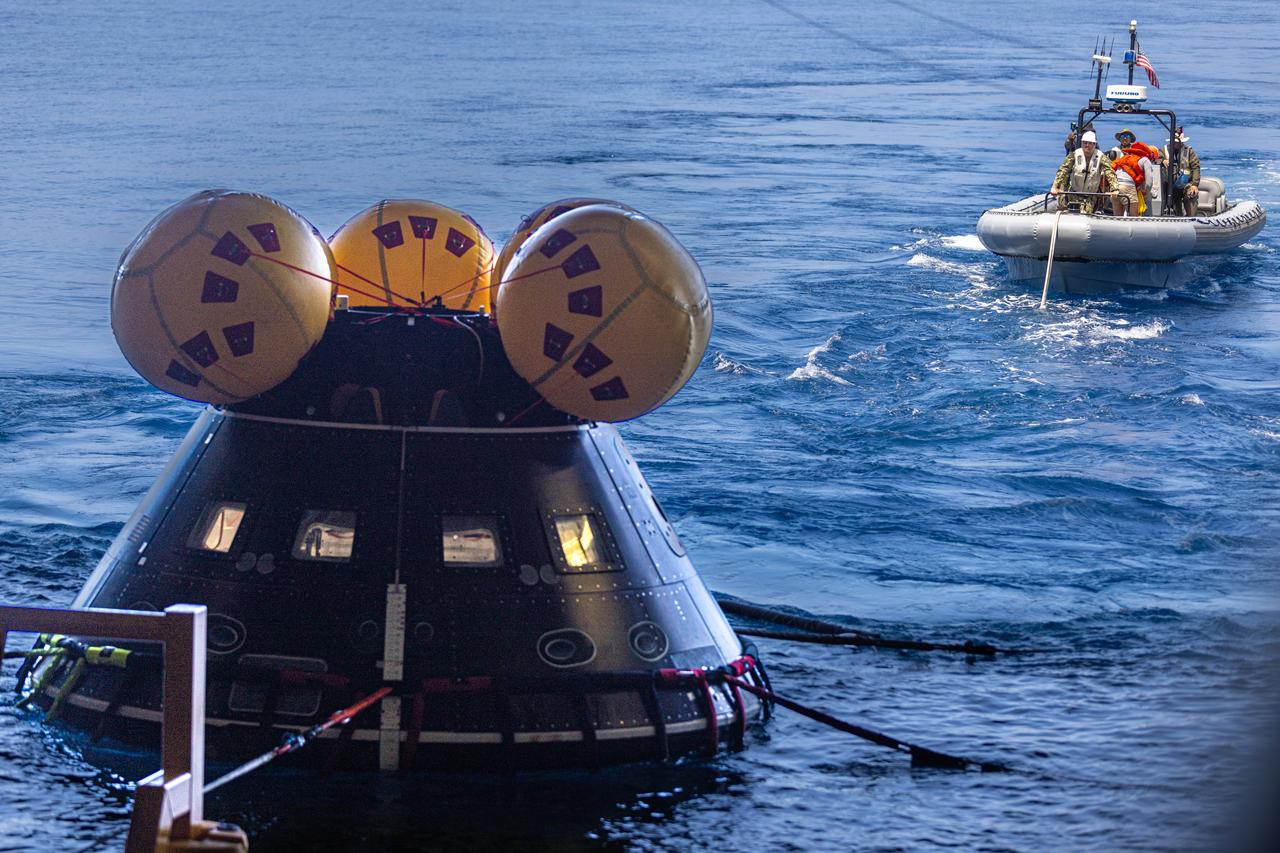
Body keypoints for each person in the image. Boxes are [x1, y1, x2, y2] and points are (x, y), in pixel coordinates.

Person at [1050, 130, 1118, 214]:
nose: (1087, 145)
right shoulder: (1074, 154)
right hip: (1074, 193)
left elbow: (1110, 173)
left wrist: (1114, 189)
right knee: (1069, 213)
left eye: (1090, 143)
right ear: (1082, 143)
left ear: (1094, 144)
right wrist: (1055, 186)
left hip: (1091, 196)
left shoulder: (1101, 157)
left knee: (1086, 214)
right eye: (1085, 143)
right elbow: (1063, 169)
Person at [1161, 127, 1201, 216]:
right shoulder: (1164, 150)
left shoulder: (1189, 151)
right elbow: (1156, 158)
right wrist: (1162, 161)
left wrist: (1195, 184)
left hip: (1186, 183)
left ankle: (1192, 218)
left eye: (1178, 142)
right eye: (1174, 142)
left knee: (1192, 194)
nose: (1176, 144)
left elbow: (1196, 167)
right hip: (1169, 185)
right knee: (1174, 203)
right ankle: (1176, 217)